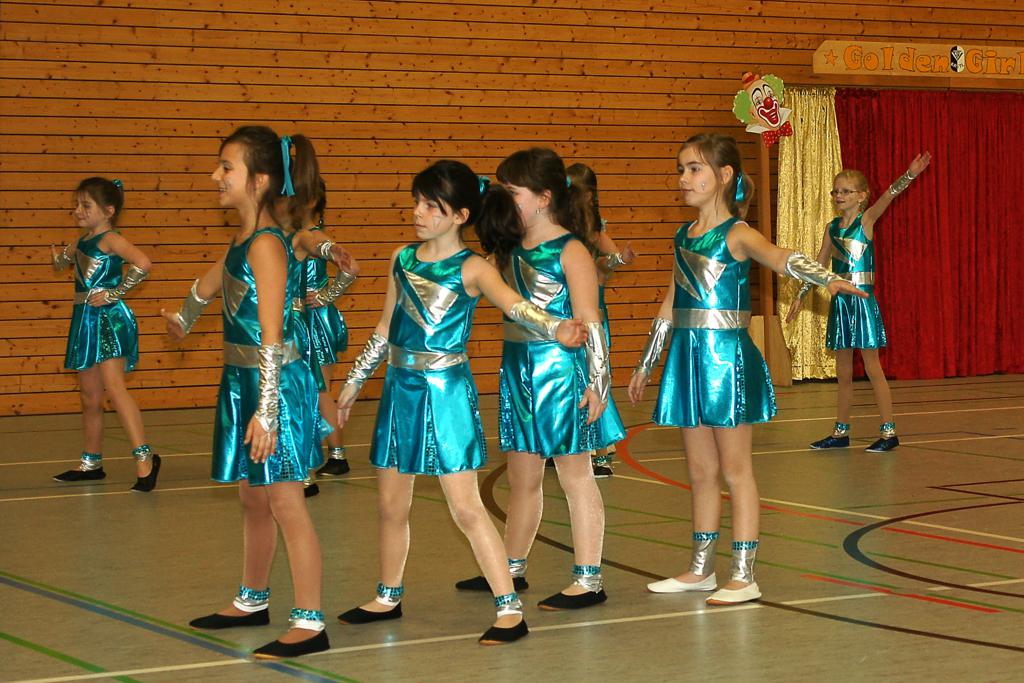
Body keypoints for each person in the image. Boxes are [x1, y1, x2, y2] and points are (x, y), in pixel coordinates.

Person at [335, 160, 586, 644]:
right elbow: (386, 326)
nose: (419, 212)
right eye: (417, 202)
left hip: (446, 392)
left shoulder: (473, 268)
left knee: (467, 507)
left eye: (432, 206)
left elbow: (516, 305)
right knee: (390, 505)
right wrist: (355, 380)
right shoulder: (401, 258)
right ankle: (387, 595)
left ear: (460, 215)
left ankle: (509, 607)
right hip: (399, 391)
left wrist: (556, 327)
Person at [629, 134, 867, 604]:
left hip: (725, 361)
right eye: (681, 169)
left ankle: (744, 573)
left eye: (694, 168)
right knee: (700, 471)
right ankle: (700, 569)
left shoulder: (737, 233)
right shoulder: (683, 236)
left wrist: (828, 278)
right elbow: (672, 301)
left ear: (724, 176)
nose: (684, 178)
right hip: (687, 358)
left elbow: (779, 258)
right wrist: (647, 361)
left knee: (736, 471)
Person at [163, 127, 329, 659]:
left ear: (259, 180)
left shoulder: (267, 246)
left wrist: (268, 410)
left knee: (285, 500)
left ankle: (310, 621)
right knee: (253, 497)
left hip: (271, 383)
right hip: (242, 382)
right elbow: (214, 280)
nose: (216, 175)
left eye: (226, 167)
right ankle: (252, 598)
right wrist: (185, 316)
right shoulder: (243, 240)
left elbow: (273, 336)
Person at [456, 148, 624, 611]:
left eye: (512, 192)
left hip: (561, 372)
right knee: (522, 476)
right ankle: (511, 565)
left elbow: (591, 320)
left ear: (544, 198)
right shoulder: (507, 249)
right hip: (518, 369)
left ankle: (588, 578)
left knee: (575, 475)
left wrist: (598, 383)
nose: (504, 199)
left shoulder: (571, 250)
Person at [786, 154, 931, 452]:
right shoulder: (832, 228)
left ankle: (889, 432)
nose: (839, 195)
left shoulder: (866, 221)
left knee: (872, 367)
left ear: (862, 196)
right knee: (843, 373)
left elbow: (889, 195)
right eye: (836, 191)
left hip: (862, 303)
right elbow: (819, 265)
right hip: (841, 304)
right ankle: (840, 432)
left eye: (845, 191)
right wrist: (801, 295)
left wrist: (910, 174)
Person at [51, 177, 160, 492]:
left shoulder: (111, 239)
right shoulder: (83, 241)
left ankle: (145, 458)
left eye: (86, 205)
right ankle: (91, 463)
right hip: (84, 320)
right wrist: (59, 258)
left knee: (115, 388)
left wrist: (115, 293)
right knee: (90, 397)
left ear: (109, 211)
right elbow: (64, 262)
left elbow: (143, 263)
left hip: (108, 320)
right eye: (76, 205)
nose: (78, 211)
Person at [566, 162, 636, 477]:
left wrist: (618, 259)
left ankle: (602, 450)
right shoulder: (556, 229)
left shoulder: (593, 229)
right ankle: (567, 443)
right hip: (565, 319)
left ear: (589, 195)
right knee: (569, 382)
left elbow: (608, 263)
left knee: (594, 379)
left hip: (591, 317)